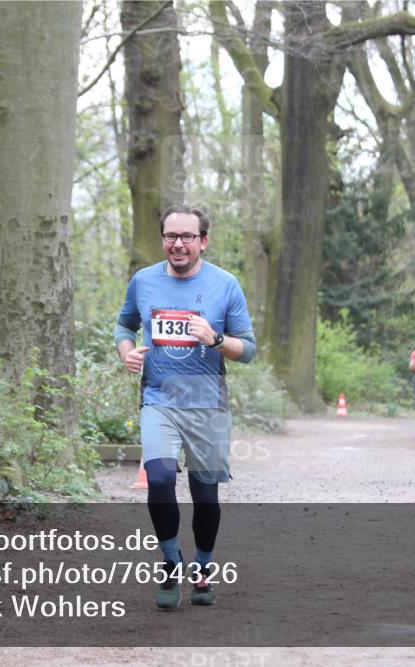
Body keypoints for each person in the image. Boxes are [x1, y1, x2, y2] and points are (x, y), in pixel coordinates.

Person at [114, 204, 256, 609]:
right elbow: (124, 325)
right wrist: (127, 351)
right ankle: (170, 561)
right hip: (159, 398)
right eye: (171, 236)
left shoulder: (225, 285)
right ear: (163, 240)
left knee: (204, 492)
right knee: (158, 478)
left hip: (207, 402)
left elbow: (247, 350)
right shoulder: (143, 281)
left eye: (187, 237)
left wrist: (214, 338)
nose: (178, 244)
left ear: (203, 242)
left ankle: (204, 569)